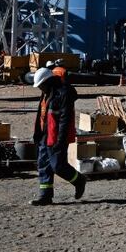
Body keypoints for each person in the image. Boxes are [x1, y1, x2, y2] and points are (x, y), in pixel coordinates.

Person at [30, 64, 86, 205]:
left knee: (58, 166)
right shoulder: (46, 92)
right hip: (44, 135)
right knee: (43, 165)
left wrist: (60, 140)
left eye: (40, 85)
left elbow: (64, 119)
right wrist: (37, 133)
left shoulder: (63, 93)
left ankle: (79, 180)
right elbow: (41, 114)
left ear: (48, 81)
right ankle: (45, 196)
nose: (39, 88)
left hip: (56, 137)